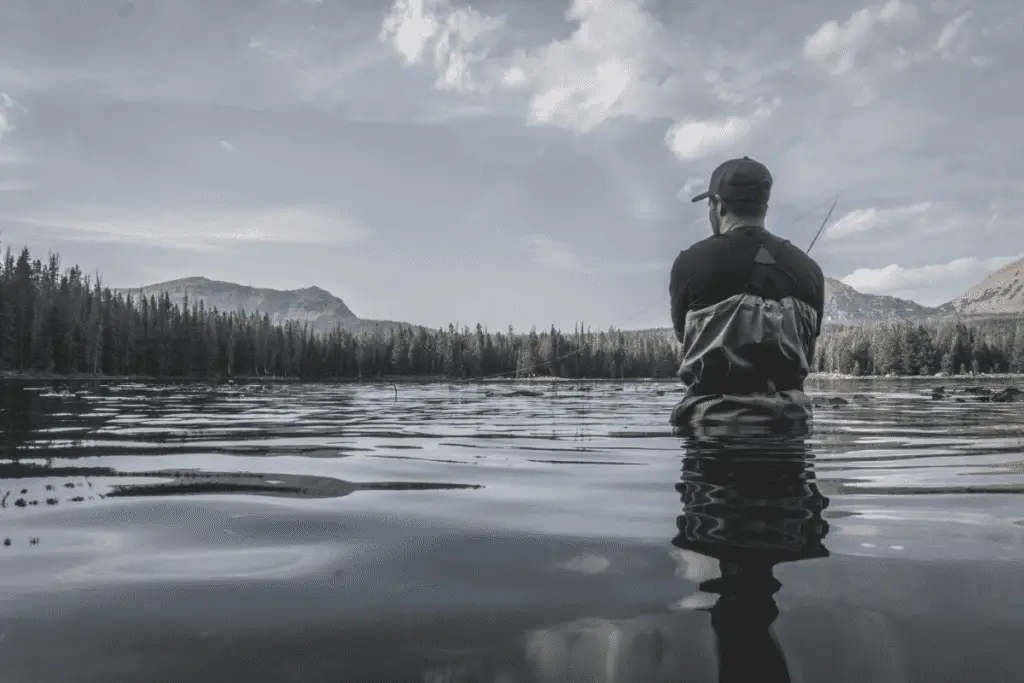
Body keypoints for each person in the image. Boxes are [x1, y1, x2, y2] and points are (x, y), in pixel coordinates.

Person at [668, 156, 825, 433]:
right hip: (790, 431)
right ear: (764, 206)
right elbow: (808, 351)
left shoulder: (690, 262)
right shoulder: (810, 270)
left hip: (710, 432)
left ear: (717, 205)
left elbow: (685, 339)